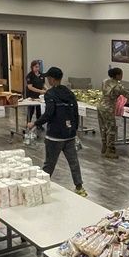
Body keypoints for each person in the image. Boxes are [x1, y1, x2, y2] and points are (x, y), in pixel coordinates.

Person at [26, 66, 87, 197]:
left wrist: (34, 124)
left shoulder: (50, 94)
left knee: (49, 164)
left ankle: (41, 188)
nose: (47, 80)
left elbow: (48, 114)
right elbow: (75, 114)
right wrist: (74, 130)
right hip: (69, 134)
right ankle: (79, 187)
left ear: (52, 80)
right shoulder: (69, 93)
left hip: (55, 135)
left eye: (48, 78)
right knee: (74, 162)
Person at [98, 68, 129, 159]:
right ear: (117, 75)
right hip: (108, 108)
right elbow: (128, 95)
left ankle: (104, 146)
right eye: (121, 74)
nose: (122, 76)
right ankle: (109, 149)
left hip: (101, 105)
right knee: (111, 128)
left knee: (103, 127)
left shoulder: (105, 81)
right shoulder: (118, 86)